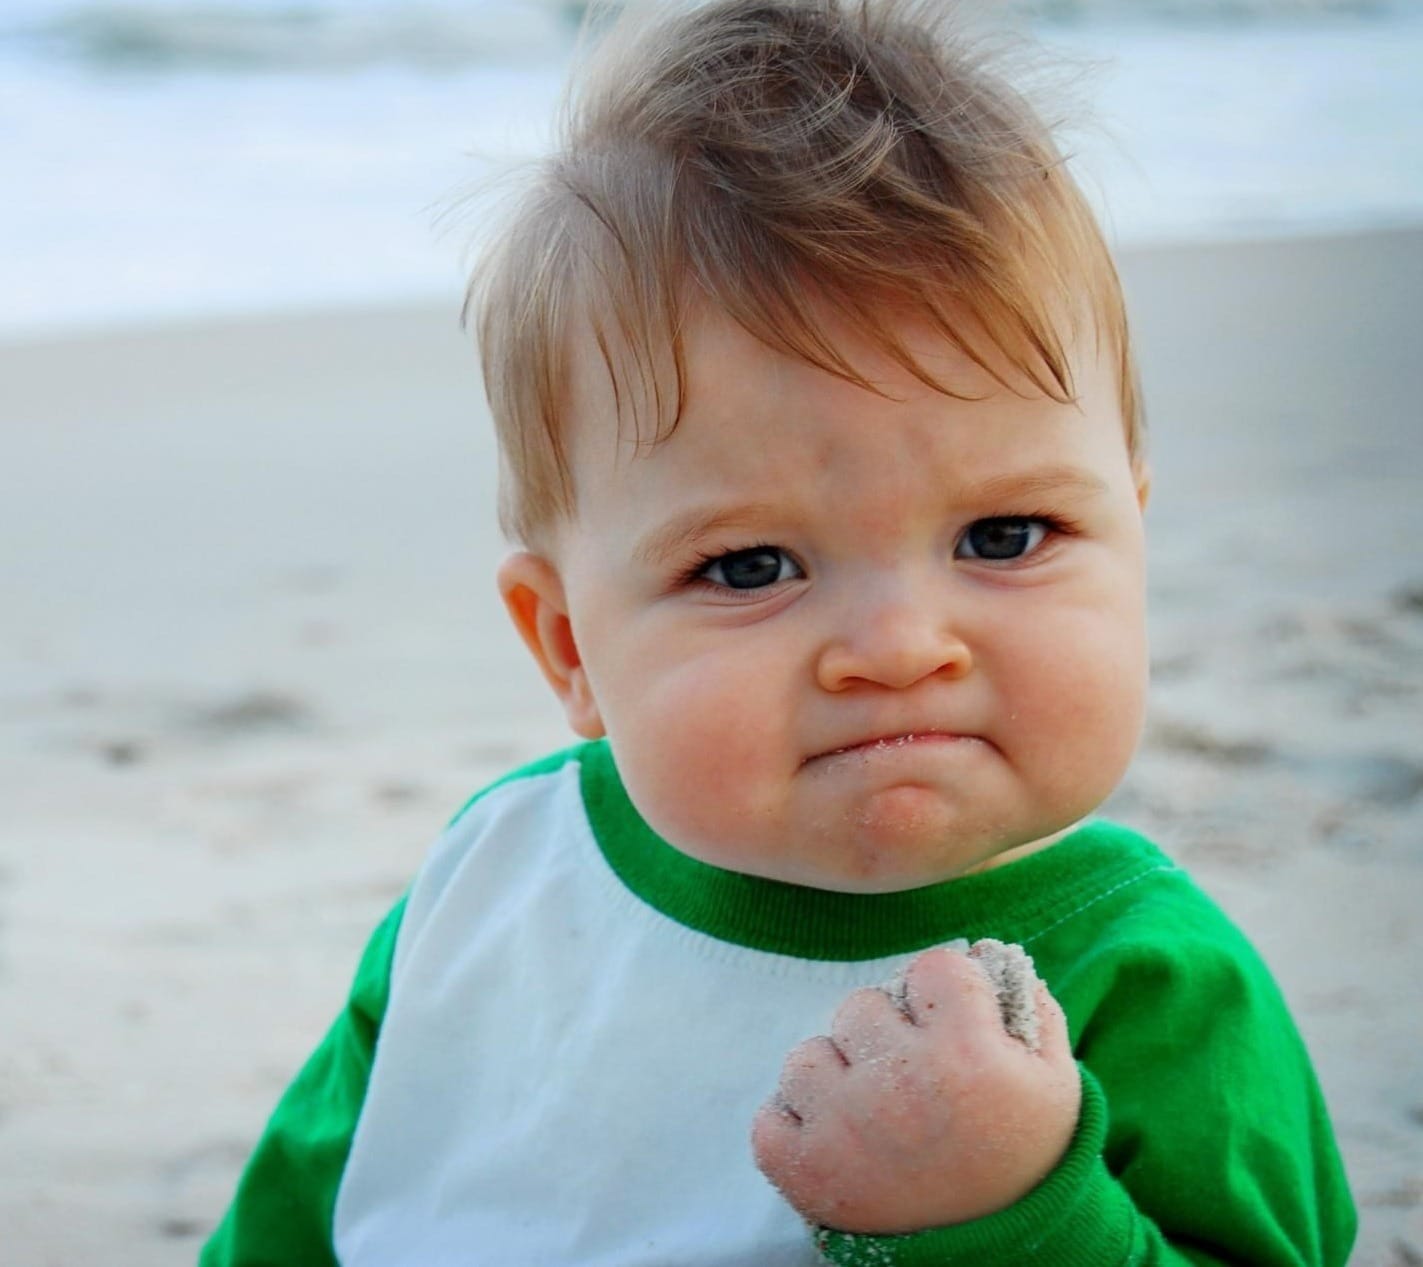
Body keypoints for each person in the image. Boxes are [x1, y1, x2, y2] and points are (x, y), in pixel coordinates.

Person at [200, 0, 1356, 1262]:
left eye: (1005, 536)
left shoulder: (1146, 983)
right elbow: (304, 1211)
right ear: (569, 647)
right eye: (750, 564)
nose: (902, 644)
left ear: (1130, 535)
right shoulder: (497, 877)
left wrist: (1016, 1209)